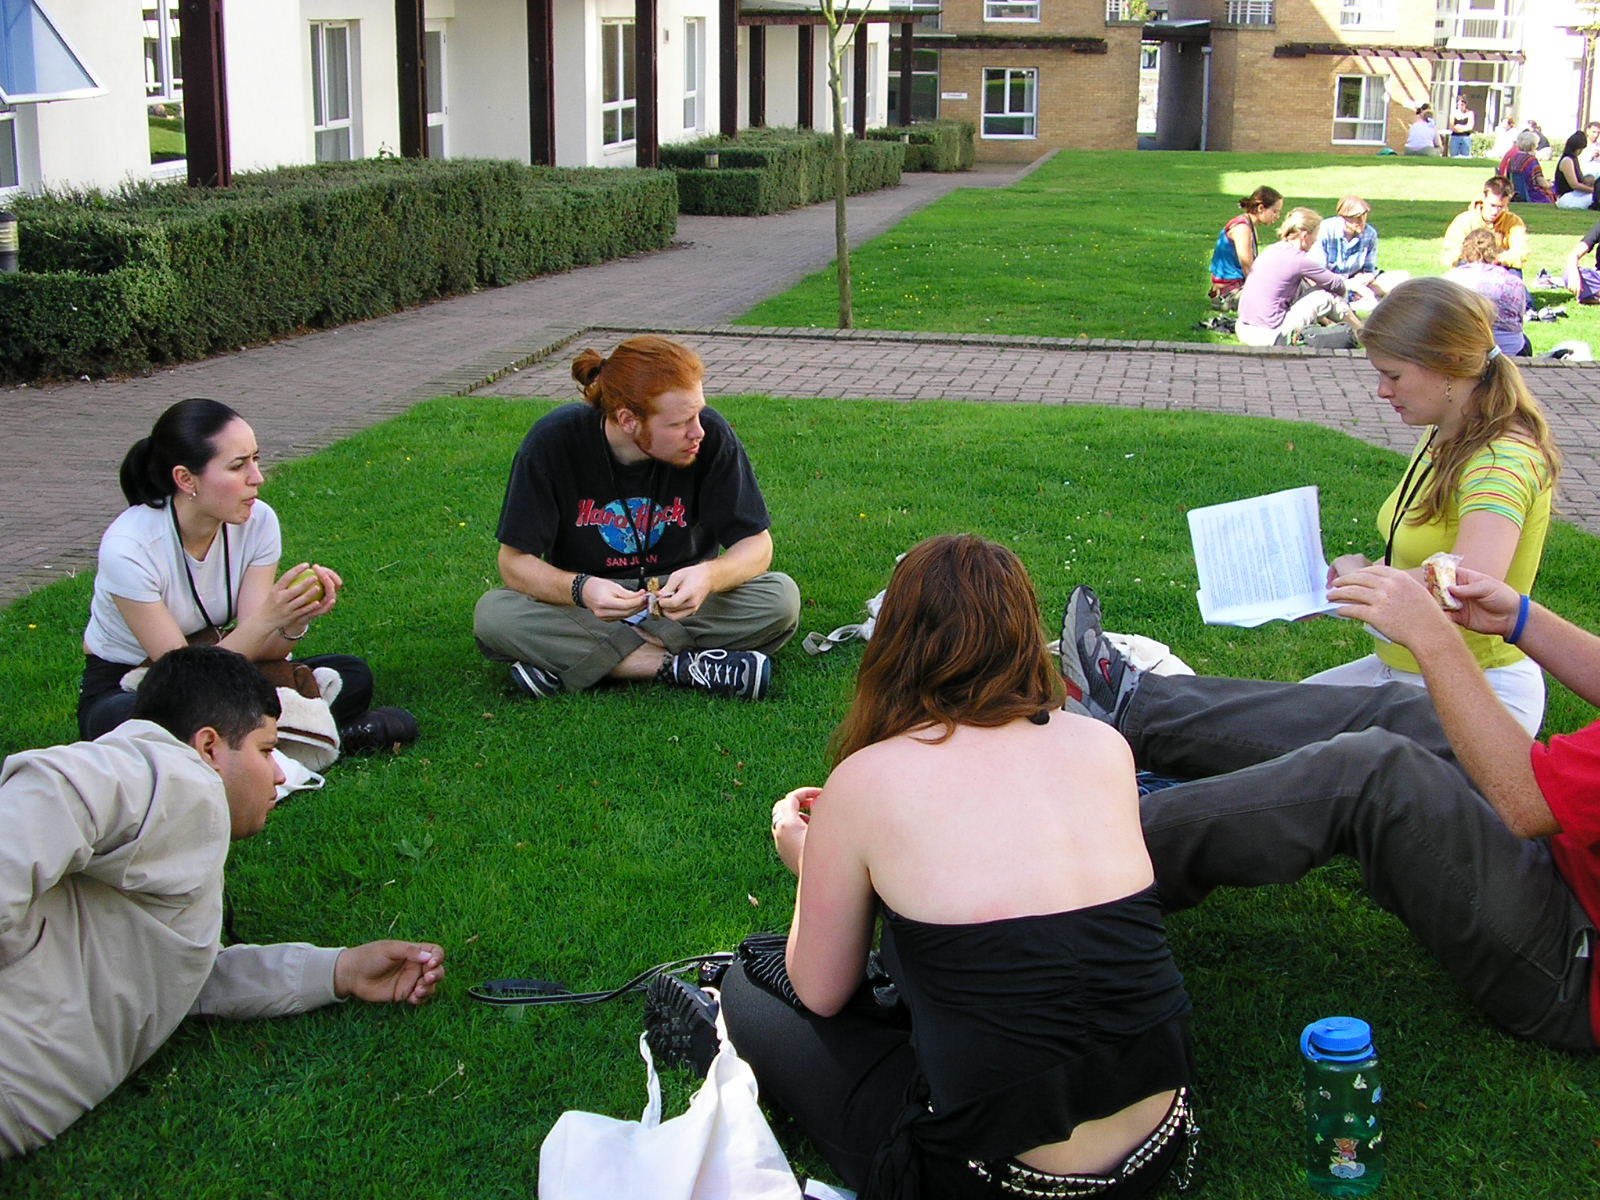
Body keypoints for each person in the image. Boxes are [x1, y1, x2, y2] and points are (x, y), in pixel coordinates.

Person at [720, 536, 1196, 1200]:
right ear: (1026, 632)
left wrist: (810, 862)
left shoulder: (868, 780)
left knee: (748, 987)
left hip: (998, 1176)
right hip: (1159, 1135)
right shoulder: (1104, 747)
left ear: (896, 645)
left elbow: (821, 989)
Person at [1060, 572, 1598, 1054]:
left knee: (1374, 776)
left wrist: (1432, 636)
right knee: (1407, 715)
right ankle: (1130, 708)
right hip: (1567, 869)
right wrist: (1518, 618)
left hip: (1571, 965)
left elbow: (1527, 801)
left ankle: (1077, 871)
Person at [0, 646, 446, 1157]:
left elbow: (184, 974)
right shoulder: (174, 772)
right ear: (209, 746)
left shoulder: (171, 834)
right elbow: (58, 788)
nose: (280, 774)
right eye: (264, 750)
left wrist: (338, 970)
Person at [80, 399, 416, 753]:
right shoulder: (129, 548)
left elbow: (261, 647)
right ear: (185, 479)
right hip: (138, 682)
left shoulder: (258, 521)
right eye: (238, 466)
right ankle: (307, 739)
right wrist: (269, 617)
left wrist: (293, 618)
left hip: (223, 658)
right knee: (134, 719)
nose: (257, 478)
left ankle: (248, 750)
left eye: (255, 459)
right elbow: (183, 681)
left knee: (352, 673)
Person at [474, 335, 800, 701]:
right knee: (495, 614)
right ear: (628, 420)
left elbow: (757, 544)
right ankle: (686, 667)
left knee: (779, 598)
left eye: (698, 413)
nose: (698, 431)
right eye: (679, 424)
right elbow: (514, 562)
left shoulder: (710, 436)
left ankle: (566, 662)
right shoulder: (554, 441)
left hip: (678, 601)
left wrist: (709, 576)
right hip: (592, 604)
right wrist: (581, 589)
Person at [1301, 277, 1557, 733]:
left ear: (1451, 367)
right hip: (1407, 673)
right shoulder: (1447, 429)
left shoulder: (1502, 460)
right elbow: (1433, 556)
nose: (1383, 390)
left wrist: (1368, 581)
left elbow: (1467, 582)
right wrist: (1369, 572)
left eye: (1393, 375)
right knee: (1250, 730)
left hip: (1477, 693)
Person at [1236, 207, 1362, 347]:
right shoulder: (1298, 259)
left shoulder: (1271, 249)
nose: (1316, 240)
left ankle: (1337, 326)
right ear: (1304, 236)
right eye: (1315, 234)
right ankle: (1363, 334)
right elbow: (1336, 284)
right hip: (1271, 334)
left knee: (1304, 285)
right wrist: (1343, 298)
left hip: (1243, 328)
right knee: (1326, 296)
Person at [1445, 228, 1533, 356]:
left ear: (1465, 252)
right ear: (1495, 251)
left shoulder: (1449, 280)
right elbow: (1518, 321)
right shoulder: (1514, 282)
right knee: (1525, 342)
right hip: (1509, 348)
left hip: (1463, 347)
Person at [1314, 195, 1404, 310]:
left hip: (1357, 282)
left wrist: (1363, 279)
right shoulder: (1325, 230)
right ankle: (1348, 303)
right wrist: (1349, 284)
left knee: (1402, 277)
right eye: (1355, 218)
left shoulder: (1370, 233)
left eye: (1363, 216)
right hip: (1330, 284)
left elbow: (1369, 269)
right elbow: (1319, 273)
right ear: (1343, 217)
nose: (1361, 221)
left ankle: (1354, 301)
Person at [1208, 185, 1282, 308]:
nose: (1277, 216)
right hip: (1229, 294)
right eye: (1275, 211)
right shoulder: (1242, 229)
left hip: (1238, 288)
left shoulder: (1249, 225)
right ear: (1261, 208)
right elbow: (1248, 268)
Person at [1441, 176, 1529, 270]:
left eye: (1501, 207)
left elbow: (1522, 252)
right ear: (1483, 198)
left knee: (1515, 272)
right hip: (1470, 266)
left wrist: (1498, 259)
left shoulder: (1514, 222)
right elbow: (1450, 252)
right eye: (1492, 205)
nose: (1495, 211)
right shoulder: (1464, 220)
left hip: (1500, 267)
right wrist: (1474, 258)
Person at [1498, 131, 1556, 203]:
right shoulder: (1532, 160)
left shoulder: (1513, 159)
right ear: (1533, 145)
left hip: (1518, 194)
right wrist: (1550, 184)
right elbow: (1541, 182)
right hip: (1533, 195)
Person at [1553, 130, 1597, 209]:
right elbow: (1574, 185)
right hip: (1568, 197)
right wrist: (1593, 190)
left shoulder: (1573, 159)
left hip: (1575, 195)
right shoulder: (1567, 161)